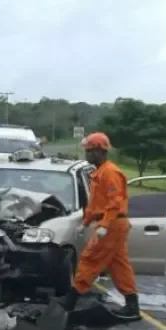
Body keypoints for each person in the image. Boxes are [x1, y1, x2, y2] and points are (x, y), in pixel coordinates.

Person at [64, 132, 141, 320]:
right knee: (118, 266)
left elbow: (114, 203)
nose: (86, 155)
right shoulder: (98, 174)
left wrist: (104, 225)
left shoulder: (110, 173)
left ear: (98, 151)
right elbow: (95, 205)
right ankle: (132, 306)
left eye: (89, 151)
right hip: (112, 223)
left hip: (113, 223)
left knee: (90, 259)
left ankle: (70, 302)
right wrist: (86, 222)